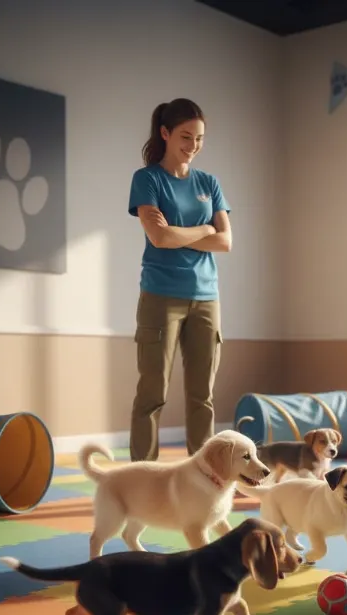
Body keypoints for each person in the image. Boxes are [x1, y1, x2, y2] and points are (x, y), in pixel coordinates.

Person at [127, 98, 231, 461]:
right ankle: (141, 476)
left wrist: (180, 231)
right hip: (160, 296)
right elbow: (159, 238)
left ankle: (205, 476)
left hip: (206, 297)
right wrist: (203, 227)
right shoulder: (147, 179)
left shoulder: (209, 182)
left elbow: (225, 241)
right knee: (152, 393)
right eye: (186, 136)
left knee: (202, 395)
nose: (193, 146)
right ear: (166, 133)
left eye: (200, 139)